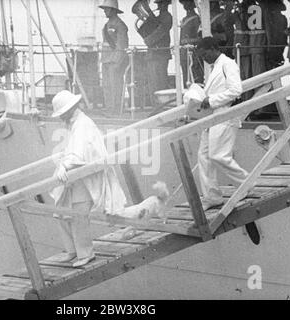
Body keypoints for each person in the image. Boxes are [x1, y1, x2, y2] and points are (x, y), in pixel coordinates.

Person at [49, 90, 127, 267]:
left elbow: (78, 155)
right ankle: (72, 250)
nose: (61, 118)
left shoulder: (83, 125)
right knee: (61, 211)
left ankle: (85, 254)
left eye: (62, 114)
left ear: (69, 110)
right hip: (76, 175)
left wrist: (65, 165)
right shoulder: (74, 123)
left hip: (85, 177)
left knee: (79, 216)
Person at [196, 37, 248, 211]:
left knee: (218, 155)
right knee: (203, 157)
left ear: (213, 48)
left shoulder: (228, 64)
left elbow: (236, 90)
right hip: (212, 116)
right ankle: (212, 196)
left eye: (204, 54)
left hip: (224, 115)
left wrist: (212, 100)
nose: (204, 58)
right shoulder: (215, 67)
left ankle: (245, 183)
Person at [99, 0, 129, 113]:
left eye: (107, 9)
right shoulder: (106, 25)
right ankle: (109, 108)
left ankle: (115, 109)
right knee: (107, 86)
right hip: (106, 59)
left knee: (115, 85)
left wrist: (117, 62)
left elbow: (122, 45)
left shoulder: (120, 25)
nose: (105, 11)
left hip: (114, 60)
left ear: (113, 10)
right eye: (104, 9)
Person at [143, 0, 173, 101]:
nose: (160, 5)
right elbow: (153, 27)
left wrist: (148, 39)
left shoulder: (167, 17)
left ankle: (160, 105)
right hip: (153, 53)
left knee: (160, 82)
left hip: (160, 53)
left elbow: (161, 31)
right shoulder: (158, 17)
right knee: (152, 82)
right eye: (159, 3)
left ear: (166, 4)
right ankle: (154, 105)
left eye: (162, 3)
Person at [179, 0, 204, 87]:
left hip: (193, 52)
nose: (185, 4)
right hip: (184, 52)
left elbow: (199, 36)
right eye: (184, 2)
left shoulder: (196, 18)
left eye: (187, 2)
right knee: (186, 78)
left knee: (195, 77)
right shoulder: (184, 19)